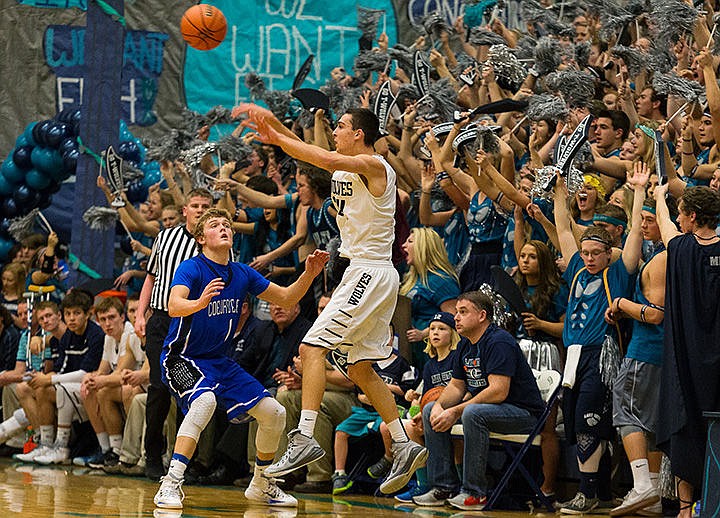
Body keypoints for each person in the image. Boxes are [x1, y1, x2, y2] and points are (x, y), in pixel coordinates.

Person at [237, 103, 427, 495]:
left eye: (341, 126)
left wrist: (275, 129)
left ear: (359, 134)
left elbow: (320, 154)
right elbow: (317, 155)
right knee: (358, 367)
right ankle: (404, 444)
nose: (335, 131)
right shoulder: (343, 169)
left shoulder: (376, 166)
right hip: (361, 272)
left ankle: (305, 436)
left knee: (310, 348)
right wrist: (281, 138)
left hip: (371, 270)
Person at [153, 208, 329, 509]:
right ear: (200, 238)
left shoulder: (242, 273)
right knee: (204, 402)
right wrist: (200, 302)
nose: (223, 229)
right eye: (214, 225)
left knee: (274, 412)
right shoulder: (191, 269)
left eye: (226, 225)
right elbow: (173, 305)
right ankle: (170, 482)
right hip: (181, 357)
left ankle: (261, 483)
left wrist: (309, 274)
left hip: (218, 361)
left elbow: (286, 298)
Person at [553, 165, 645, 514]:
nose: (590, 259)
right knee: (579, 423)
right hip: (573, 356)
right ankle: (603, 493)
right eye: (586, 253)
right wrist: (560, 190)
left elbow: (636, 232)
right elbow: (563, 226)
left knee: (588, 421)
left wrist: (636, 193)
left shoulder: (619, 273)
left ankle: (587, 494)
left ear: (609, 253)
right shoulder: (576, 265)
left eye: (596, 254)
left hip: (601, 355)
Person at [415, 291, 545, 510]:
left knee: (472, 413)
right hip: (491, 410)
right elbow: (457, 385)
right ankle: (443, 486)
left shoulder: (499, 341)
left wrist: (454, 411)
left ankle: (475, 493)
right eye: (456, 312)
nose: (456, 317)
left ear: (482, 315)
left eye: (463, 312)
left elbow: (498, 392)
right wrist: (439, 406)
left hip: (523, 414)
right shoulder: (465, 344)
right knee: (429, 410)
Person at [134, 188, 213, 480]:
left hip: (194, 324)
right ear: (185, 210)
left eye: (206, 205)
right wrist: (141, 314)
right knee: (158, 388)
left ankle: (183, 462)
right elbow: (151, 278)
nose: (200, 209)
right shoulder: (165, 237)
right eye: (195, 205)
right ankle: (152, 456)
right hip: (162, 320)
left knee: (189, 393)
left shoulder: (215, 244)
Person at [654, 184, 720, 518]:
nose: (678, 219)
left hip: (686, 359)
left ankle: (684, 509)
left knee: (683, 425)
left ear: (692, 217)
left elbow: (663, 224)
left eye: (682, 213)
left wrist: (654, 195)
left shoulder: (680, 248)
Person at [605, 197, 667, 516]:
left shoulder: (661, 260)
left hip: (646, 349)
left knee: (626, 412)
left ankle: (642, 484)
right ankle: (652, 493)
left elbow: (656, 313)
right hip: (665, 354)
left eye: (648, 220)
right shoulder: (672, 254)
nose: (642, 226)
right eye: (640, 219)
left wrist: (623, 305)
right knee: (652, 422)